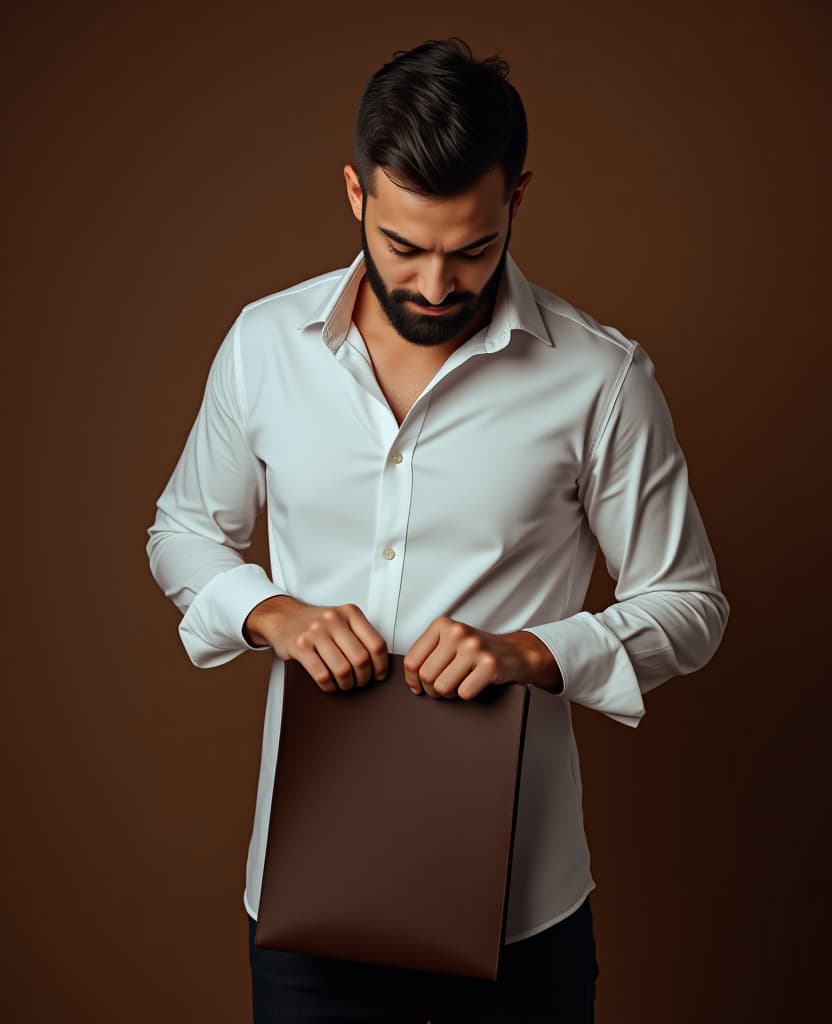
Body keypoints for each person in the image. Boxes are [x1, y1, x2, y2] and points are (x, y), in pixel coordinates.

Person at [145, 36, 729, 1024]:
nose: (432, 285)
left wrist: (535, 649)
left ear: (517, 200)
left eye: (471, 249)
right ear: (354, 194)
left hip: (522, 916)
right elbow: (182, 533)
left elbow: (691, 605)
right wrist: (270, 611)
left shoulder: (601, 379)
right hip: (305, 903)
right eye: (403, 247)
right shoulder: (261, 346)